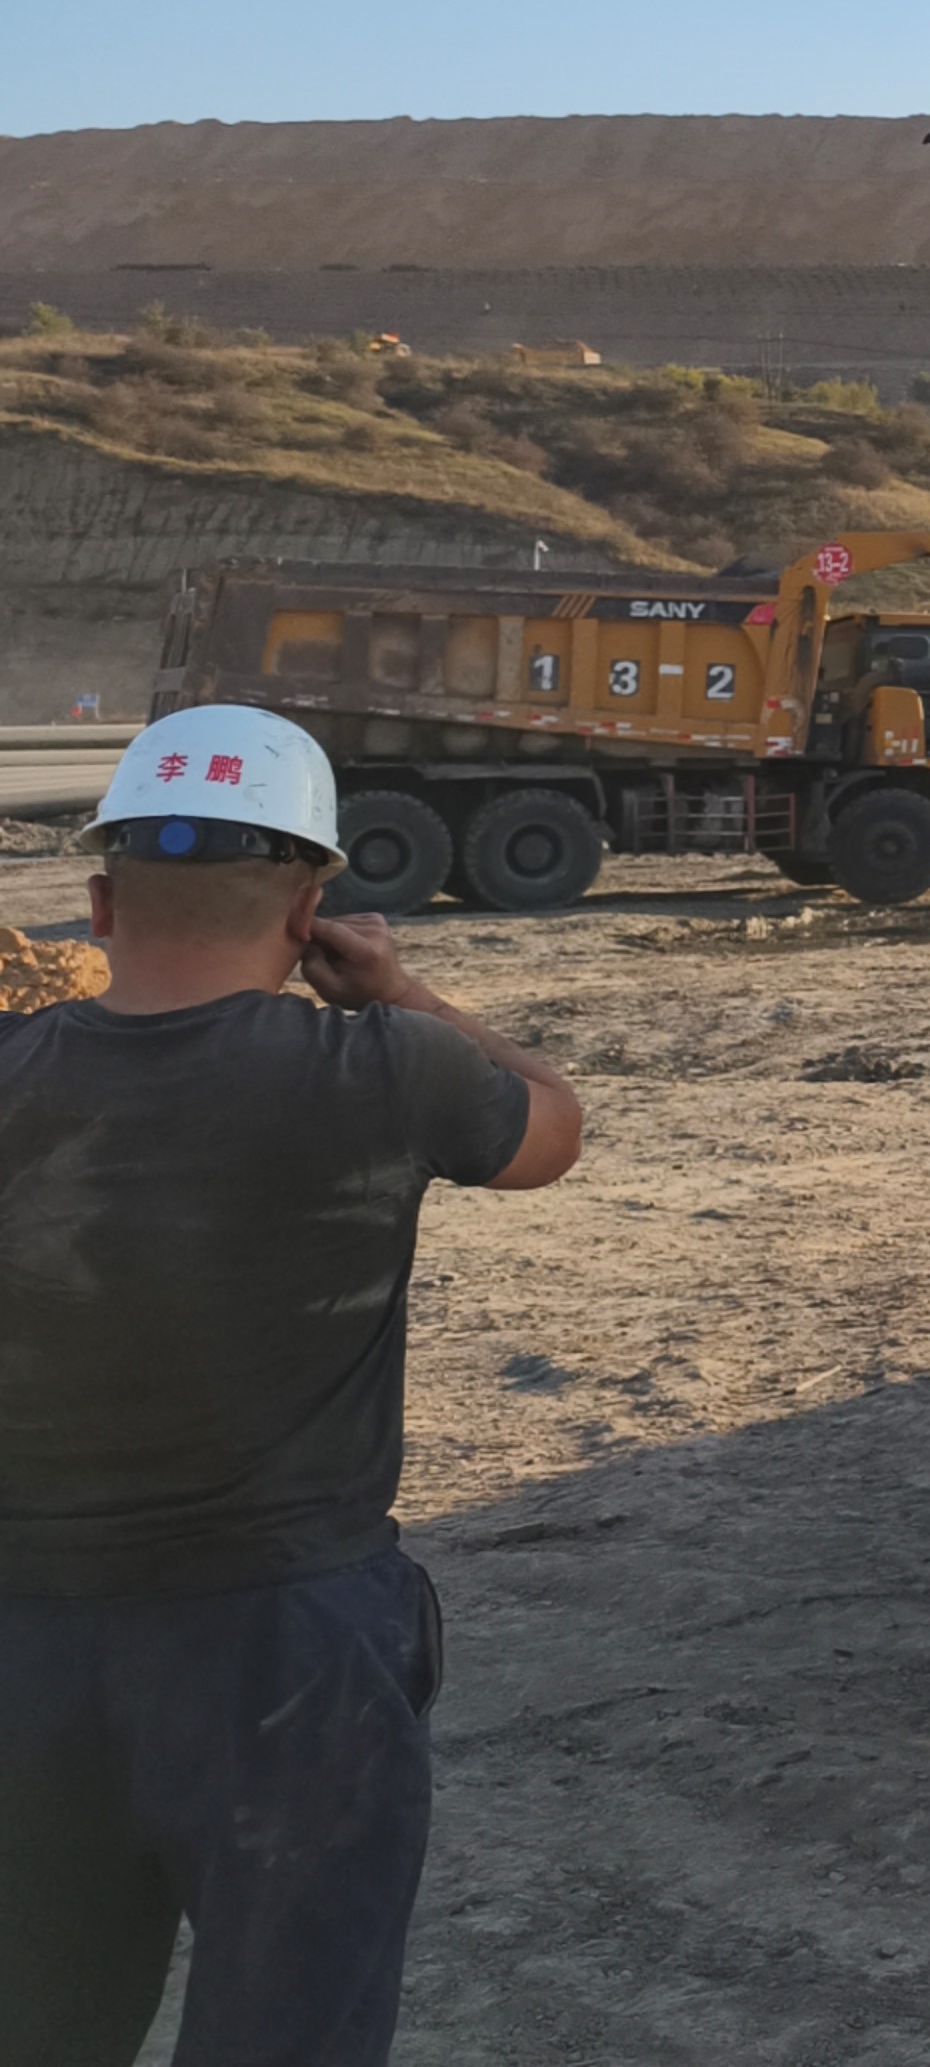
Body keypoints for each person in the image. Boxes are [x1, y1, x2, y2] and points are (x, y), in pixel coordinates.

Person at [0, 707, 582, 2067]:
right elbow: (551, 1128)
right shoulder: (385, 1071)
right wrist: (403, 994)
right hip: (289, 1655)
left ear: (99, 904)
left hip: (26, 1640)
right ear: (312, 909)